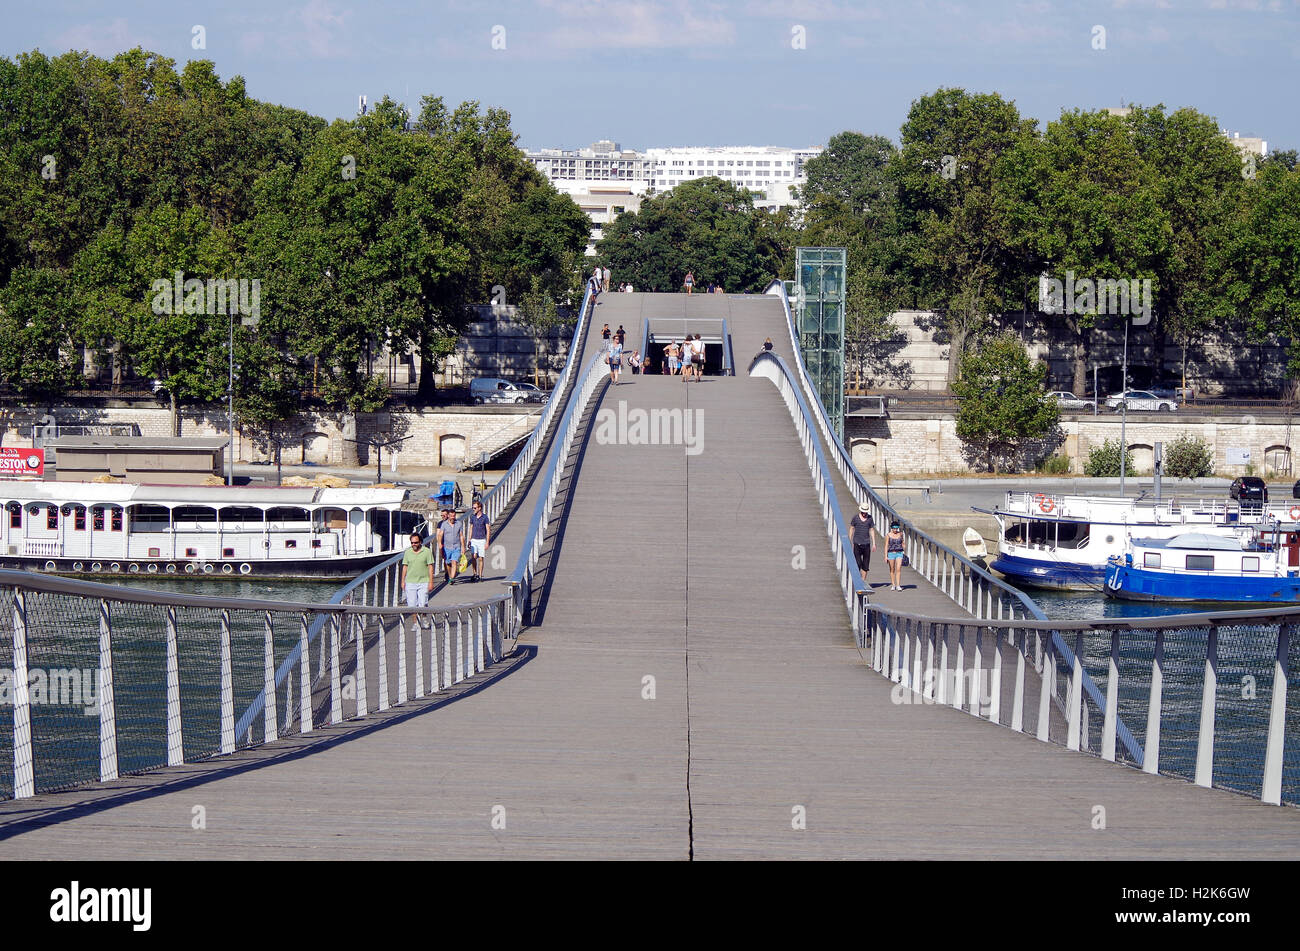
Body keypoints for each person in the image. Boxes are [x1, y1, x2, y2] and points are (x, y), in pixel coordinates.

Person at [400, 531, 435, 629]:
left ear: (420, 542)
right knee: (412, 605)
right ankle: (416, 623)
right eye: (412, 543)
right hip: (410, 582)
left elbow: (430, 567)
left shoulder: (426, 551)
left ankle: (424, 619)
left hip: (423, 581)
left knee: (422, 603)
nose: (413, 545)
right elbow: (405, 567)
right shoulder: (408, 552)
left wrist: (431, 582)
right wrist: (402, 581)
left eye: (415, 542)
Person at [850, 502, 876, 584]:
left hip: (867, 544)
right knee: (858, 563)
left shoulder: (870, 519)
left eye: (865, 512)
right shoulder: (855, 518)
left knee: (865, 564)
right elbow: (851, 528)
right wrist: (849, 540)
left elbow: (871, 530)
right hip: (857, 543)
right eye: (863, 512)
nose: (864, 513)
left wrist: (874, 543)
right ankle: (857, 579)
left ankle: (863, 581)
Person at [437, 508, 464, 584]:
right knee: (448, 563)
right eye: (451, 516)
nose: (453, 517)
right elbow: (440, 534)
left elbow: (461, 536)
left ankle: (452, 578)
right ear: (448, 516)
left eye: (454, 516)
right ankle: (449, 576)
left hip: (456, 546)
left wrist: (463, 547)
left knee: (454, 562)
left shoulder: (459, 523)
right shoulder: (444, 524)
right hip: (447, 547)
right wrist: (439, 543)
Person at [466, 498, 490, 583]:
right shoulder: (472, 517)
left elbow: (488, 529)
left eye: (475, 508)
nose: (473, 509)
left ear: (479, 508)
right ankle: (474, 573)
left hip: (481, 539)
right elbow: (471, 528)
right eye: (473, 508)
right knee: (474, 557)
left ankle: (480, 575)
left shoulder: (485, 517)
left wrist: (487, 542)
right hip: (474, 539)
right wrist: (469, 539)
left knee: (480, 558)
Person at [886, 522, 906, 591]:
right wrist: (885, 556)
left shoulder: (900, 534)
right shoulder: (888, 535)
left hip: (899, 553)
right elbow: (886, 546)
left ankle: (898, 585)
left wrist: (904, 551)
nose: (895, 530)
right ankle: (893, 584)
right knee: (892, 569)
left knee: (898, 569)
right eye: (894, 528)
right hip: (891, 553)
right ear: (891, 528)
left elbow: (903, 543)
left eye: (896, 528)